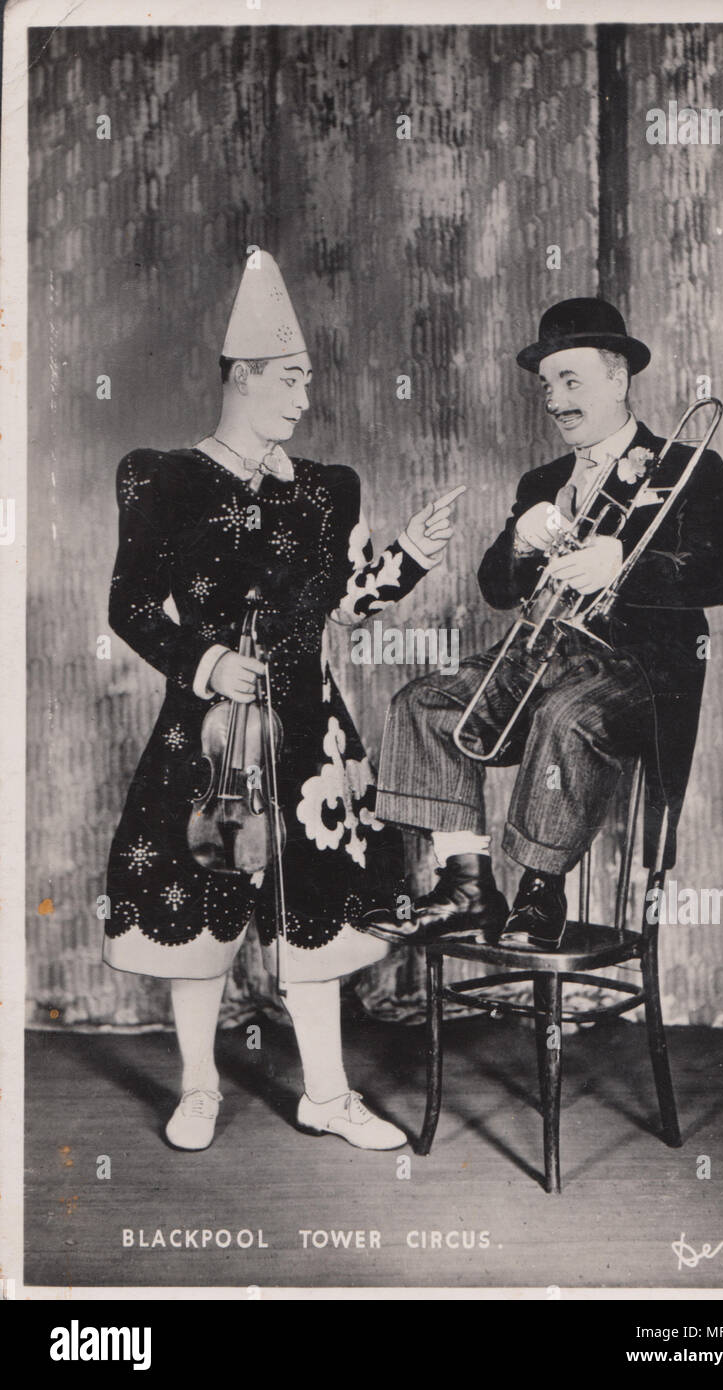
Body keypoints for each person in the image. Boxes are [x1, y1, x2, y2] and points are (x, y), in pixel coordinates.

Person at [103, 249, 462, 1151]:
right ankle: (197, 1089)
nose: (304, 400)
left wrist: (409, 556)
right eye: (289, 381)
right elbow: (132, 603)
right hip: (210, 731)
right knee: (199, 897)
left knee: (318, 909)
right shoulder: (163, 477)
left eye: (308, 382)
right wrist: (207, 659)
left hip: (310, 732)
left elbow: (347, 604)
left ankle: (327, 1096)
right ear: (241, 379)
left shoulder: (326, 489)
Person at [372, 297, 723, 948]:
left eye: (570, 380)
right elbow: (497, 588)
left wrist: (624, 563)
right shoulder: (543, 479)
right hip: (537, 653)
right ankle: (468, 886)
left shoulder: (687, 467)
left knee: (566, 715)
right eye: (546, 385)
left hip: (637, 671)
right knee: (421, 704)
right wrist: (522, 540)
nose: (553, 399)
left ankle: (538, 893)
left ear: (617, 378)